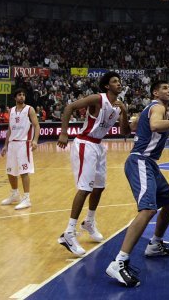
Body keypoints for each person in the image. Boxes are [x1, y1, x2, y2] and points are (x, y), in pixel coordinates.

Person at [106, 81, 169, 288]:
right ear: (155, 92)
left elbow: (126, 130)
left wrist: (125, 113)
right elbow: (155, 126)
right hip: (140, 160)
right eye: (164, 88)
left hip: (148, 163)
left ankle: (155, 244)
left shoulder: (148, 109)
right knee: (147, 209)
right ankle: (119, 262)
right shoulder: (158, 107)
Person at [57, 72, 128, 257]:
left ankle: (89, 221)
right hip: (85, 143)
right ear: (106, 86)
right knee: (85, 188)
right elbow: (70, 107)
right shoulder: (98, 99)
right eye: (114, 81)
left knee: (99, 187)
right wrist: (64, 133)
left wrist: (125, 112)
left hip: (98, 146)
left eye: (119, 81)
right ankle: (69, 233)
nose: (119, 84)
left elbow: (124, 132)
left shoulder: (119, 107)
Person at [0, 88, 40, 210]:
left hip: (24, 143)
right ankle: (14, 194)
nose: (22, 97)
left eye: (23, 95)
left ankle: (27, 198)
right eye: (19, 95)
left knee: (24, 171)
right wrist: (5, 145)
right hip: (12, 144)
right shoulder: (11, 110)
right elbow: (10, 129)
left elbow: (36, 125)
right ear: (15, 98)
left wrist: (35, 140)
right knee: (10, 171)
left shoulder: (29, 109)